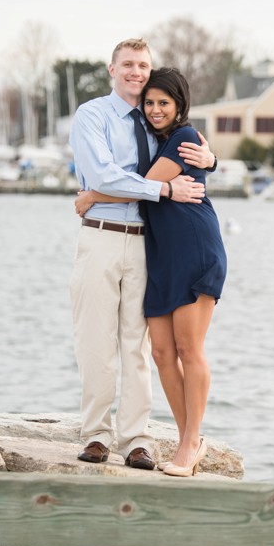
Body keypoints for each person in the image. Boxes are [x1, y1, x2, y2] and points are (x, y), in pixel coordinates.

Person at [69, 39, 217, 471]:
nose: (135, 71)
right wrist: (164, 188)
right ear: (112, 68)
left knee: (139, 343)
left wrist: (210, 161)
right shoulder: (93, 115)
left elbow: (185, 154)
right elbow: (104, 173)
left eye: (143, 66)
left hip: (150, 244)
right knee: (95, 338)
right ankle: (96, 434)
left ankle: (136, 439)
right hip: (102, 235)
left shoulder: (161, 125)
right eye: (128, 64)